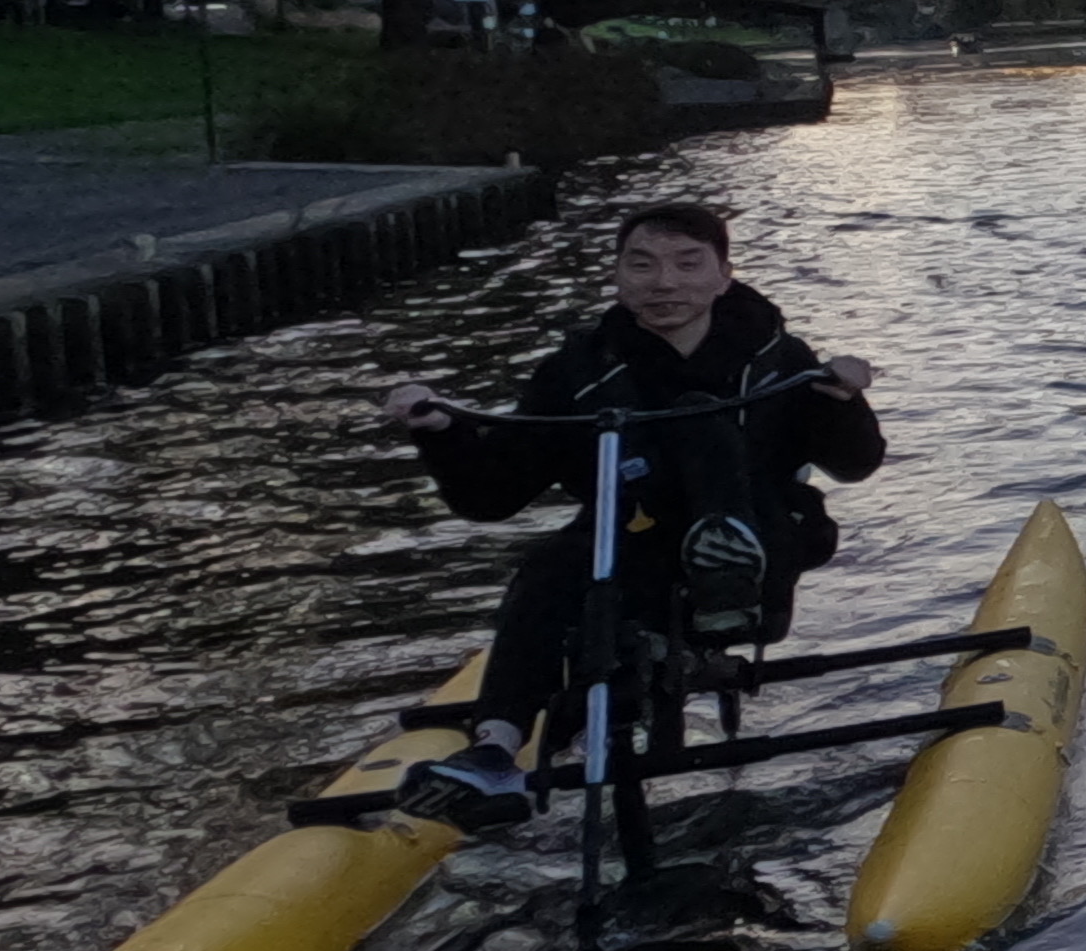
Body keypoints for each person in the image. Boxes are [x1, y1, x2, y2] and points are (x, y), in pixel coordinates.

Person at [375, 202, 883, 821]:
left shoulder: (781, 360)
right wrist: (441, 433)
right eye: (641, 265)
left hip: (763, 547)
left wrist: (844, 400)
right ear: (617, 276)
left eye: (686, 264)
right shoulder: (577, 372)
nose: (663, 282)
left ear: (724, 275)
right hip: (629, 547)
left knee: (702, 423)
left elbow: (855, 463)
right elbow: (491, 498)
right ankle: (494, 752)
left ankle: (723, 553)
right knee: (549, 567)